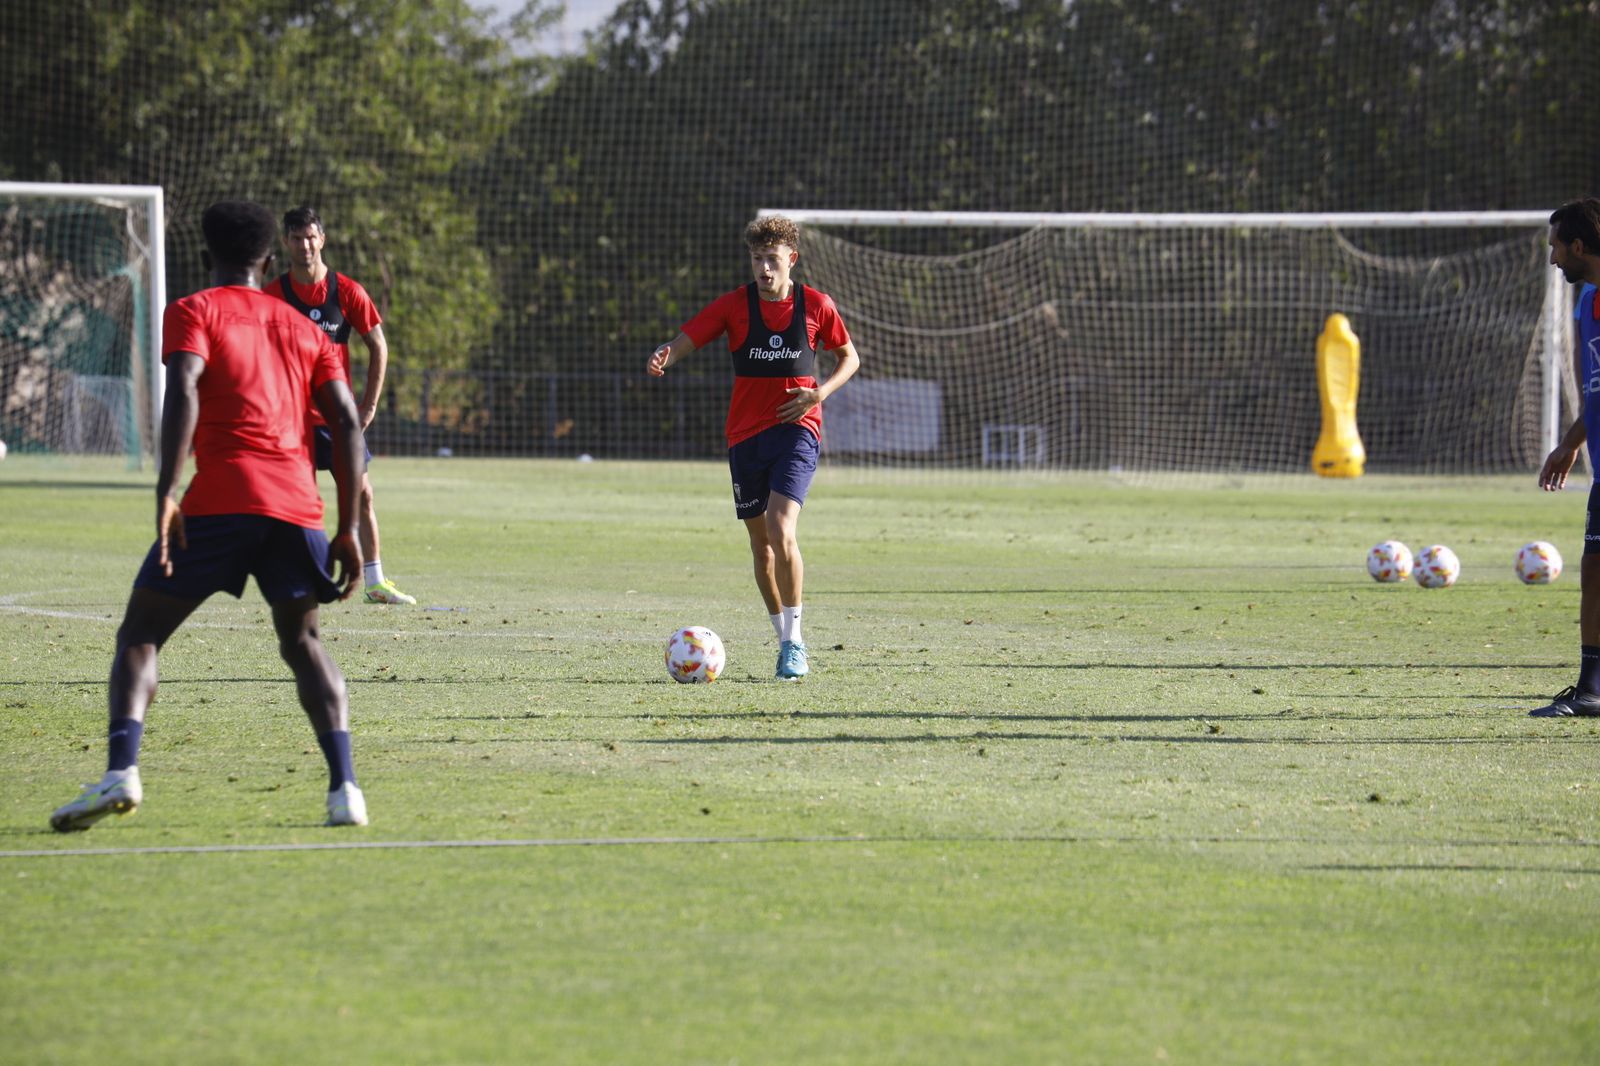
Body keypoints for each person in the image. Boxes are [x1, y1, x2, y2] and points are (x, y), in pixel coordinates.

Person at [50, 200, 371, 830]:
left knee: (141, 633)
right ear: (269, 261)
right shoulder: (309, 331)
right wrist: (348, 528)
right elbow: (346, 422)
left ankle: (121, 771)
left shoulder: (193, 310)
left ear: (206, 257)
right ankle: (346, 790)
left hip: (219, 501)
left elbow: (184, 388)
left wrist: (167, 489)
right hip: (294, 505)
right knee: (303, 642)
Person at [647, 215, 861, 679]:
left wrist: (820, 393)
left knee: (782, 529)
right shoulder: (734, 305)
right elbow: (688, 338)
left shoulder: (816, 305)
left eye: (773, 259)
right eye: (757, 258)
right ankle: (781, 636)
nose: (764, 268)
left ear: (792, 259)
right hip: (745, 437)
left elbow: (850, 357)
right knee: (761, 547)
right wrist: (667, 353)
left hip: (797, 430)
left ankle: (794, 643)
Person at [272, 205, 415, 605]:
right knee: (295, 501)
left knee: (362, 495)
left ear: (322, 239)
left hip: (338, 418)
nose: (305, 245)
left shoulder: (347, 291)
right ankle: (297, 579)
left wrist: (368, 407)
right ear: (285, 242)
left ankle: (375, 582)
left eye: (311, 237)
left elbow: (378, 345)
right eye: (297, 238)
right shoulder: (274, 294)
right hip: (292, 420)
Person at [1532, 197, 1600, 717]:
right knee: (1594, 569)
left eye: (1556, 246)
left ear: (1578, 245)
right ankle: (1591, 690)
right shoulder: (1588, 302)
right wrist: (1573, 441)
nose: (1553, 258)